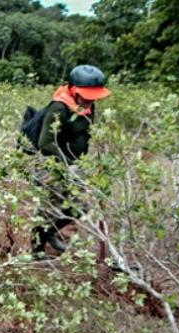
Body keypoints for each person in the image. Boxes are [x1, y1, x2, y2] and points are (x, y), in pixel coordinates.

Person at [32, 64, 111, 256]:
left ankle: (49, 233)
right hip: (52, 166)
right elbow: (46, 143)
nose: (90, 101)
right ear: (74, 91)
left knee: (79, 207)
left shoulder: (88, 107)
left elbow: (90, 132)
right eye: (86, 96)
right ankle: (37, 250)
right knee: (49, 209)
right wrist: (69, 165)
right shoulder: (59, 108)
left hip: (76, 165)